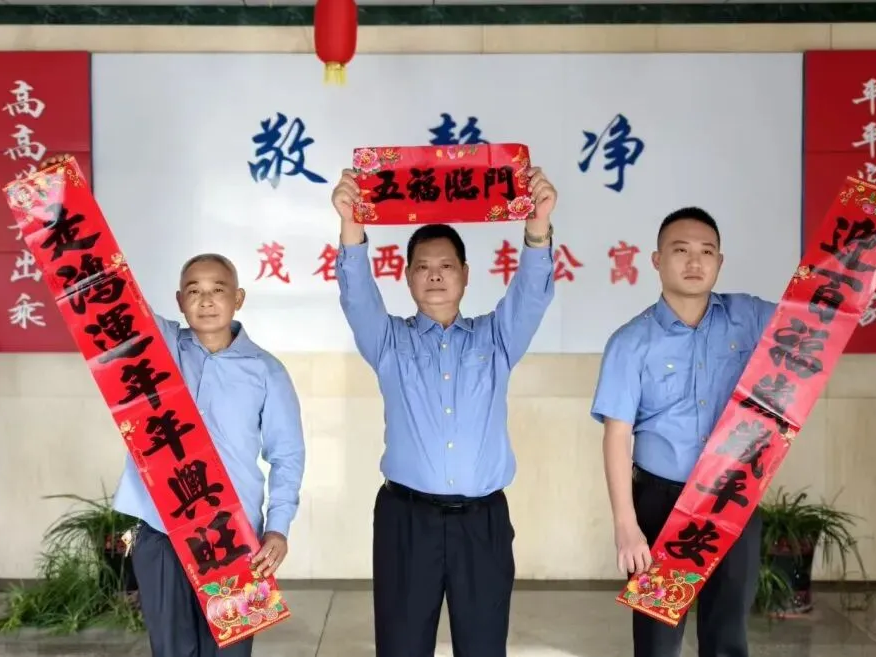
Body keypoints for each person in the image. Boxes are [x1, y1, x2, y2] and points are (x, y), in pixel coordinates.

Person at [590, 203, 876, 657]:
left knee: (727, 634)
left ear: (720, 261)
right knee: (657, 641)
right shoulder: (631, 342)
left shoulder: (748, 317)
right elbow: (616, 435)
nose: (694, 261)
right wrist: (626, 525)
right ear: (657, 260)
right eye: (680, 250)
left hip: (732, 496)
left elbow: (824, 312)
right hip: (660, 503)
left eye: (706, 251)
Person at [330, 166, 557, 656]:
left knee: (483, 646)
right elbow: (356, 296)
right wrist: (351, 225)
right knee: (402, 646)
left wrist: (538, 227)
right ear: (407, 276)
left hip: (482, 523)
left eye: (447, 265)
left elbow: (531, 296)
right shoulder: (389, 342)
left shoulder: (496, 339)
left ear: (465, 275)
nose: (435, 275)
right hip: (407, 521)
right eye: (423, 266)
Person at [112, 253, 306, 657]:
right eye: (194, 291)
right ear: (179, 301)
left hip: (232, 532)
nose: (205, 301)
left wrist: (278, 527)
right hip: (161, 527)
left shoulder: (266, 371)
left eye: (217, 290)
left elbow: (287, 455)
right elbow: (113, 298)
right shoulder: (159, 346)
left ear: (238, 298)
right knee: (171, 648)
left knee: (230, 650)